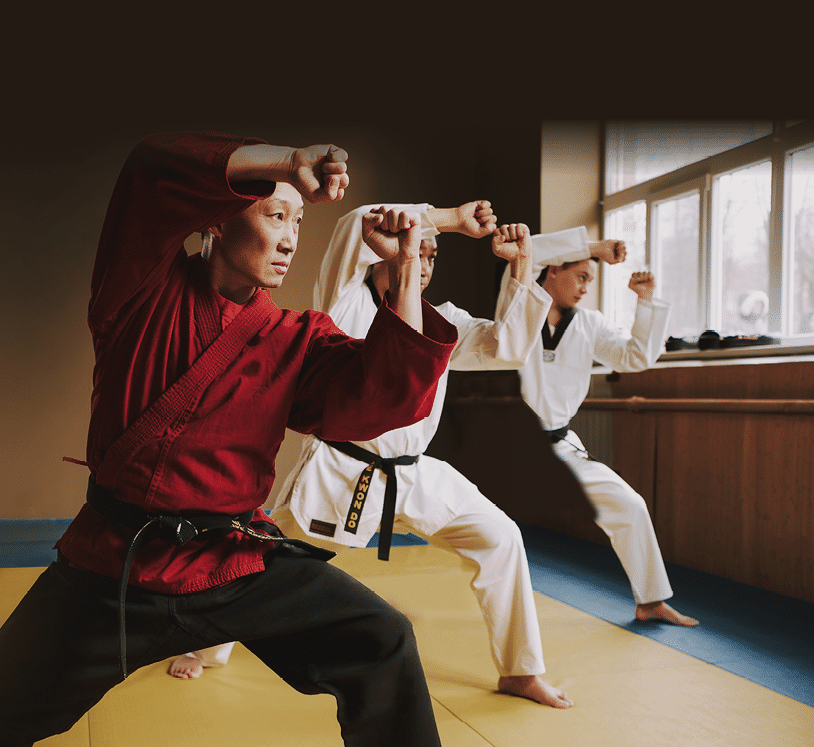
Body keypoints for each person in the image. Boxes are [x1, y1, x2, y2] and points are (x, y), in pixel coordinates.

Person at [0, 134, 483, 747]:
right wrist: (282, 165)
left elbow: (377, 404)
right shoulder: (139, 288)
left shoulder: (294, 338)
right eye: (274, 215)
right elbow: (149, 172)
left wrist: (402, 275)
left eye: (297, 224)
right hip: (117, 562)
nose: (288, 237)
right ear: (220, 217)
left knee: (382, 636)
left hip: (235, 560)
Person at [170, 201, 575, 709]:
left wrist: (520, 266)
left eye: (431, 257)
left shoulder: (442, 321)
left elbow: (508, 347)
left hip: (416, 474)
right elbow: (351, 226)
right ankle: (207, 649)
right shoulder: (346, 299)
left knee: (501, 538)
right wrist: (449, 219)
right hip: (342, 471)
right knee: (262, 558)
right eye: (415, 251)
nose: (422, 265)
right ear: (381, 252)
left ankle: (521, 671)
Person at [496, 230, 697, 626]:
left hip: (560, 446)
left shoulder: (590, 324)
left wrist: (645, 301)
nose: (587, 287)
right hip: (506, 448)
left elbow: (635, 357)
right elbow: (530, 250)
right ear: (552, 270)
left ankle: (651, 600)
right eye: (582, 276)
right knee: (482, 530)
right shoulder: (519, 303)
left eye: (591, 279)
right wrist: (597, 249)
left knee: (630, 505)